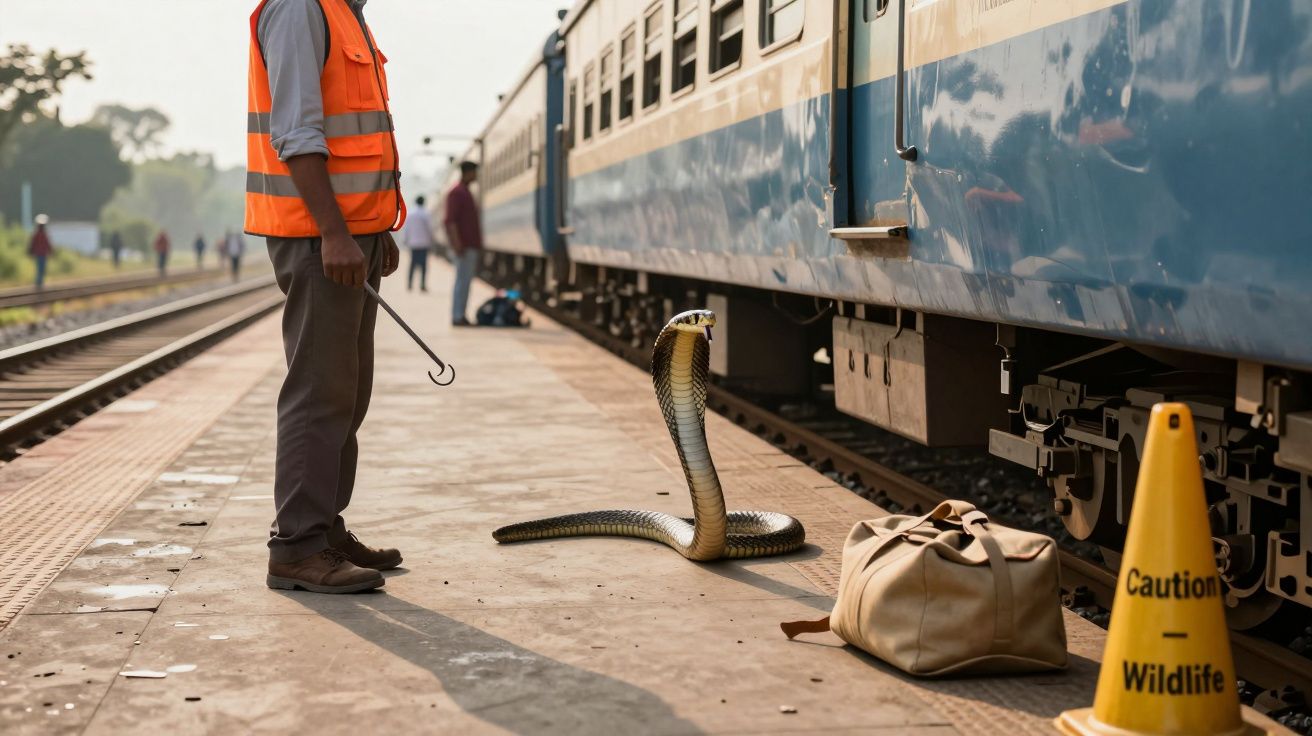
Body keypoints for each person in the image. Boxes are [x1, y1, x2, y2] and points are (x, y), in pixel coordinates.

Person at [247, 0, 405, 594]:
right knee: (318, 391)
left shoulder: (344, 13)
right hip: (319, 238)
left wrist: (374, 228)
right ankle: (297, 547)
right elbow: (296, 134)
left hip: (351, 234)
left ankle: (325, 529)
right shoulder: (300, 9)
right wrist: (335, 233)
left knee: (346, 391)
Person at [443, 161, 482, 326]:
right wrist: (457, 244)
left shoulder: (464, 192)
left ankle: (461, 314)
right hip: (464, 246)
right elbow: (450, 221)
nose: (476, 175)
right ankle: (458, 316)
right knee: (462, 282)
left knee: (465, 282)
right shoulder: (457, 193)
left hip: (468, 245)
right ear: (468, 172)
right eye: (474, 172)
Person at [402, 194, 435, 291]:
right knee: (423, 265)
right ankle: (422, 285)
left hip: (413, 243)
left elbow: (406, 229)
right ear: (423, 202)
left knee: (412, 264)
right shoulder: (426, 213)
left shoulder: (410, 213)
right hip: (424, 243)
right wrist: (432, 240)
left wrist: (405, 240)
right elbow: (430, 229)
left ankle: (409, 284)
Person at [28, 215, 52, 290]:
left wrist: (30, 251)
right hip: (40, 254)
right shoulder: (40, 234)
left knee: (41, 268)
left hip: (41, 254)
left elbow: (46, 244)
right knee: (41, 268)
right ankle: (39, 283)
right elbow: (33, 244)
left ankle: (39, 283)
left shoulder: (38, 234)